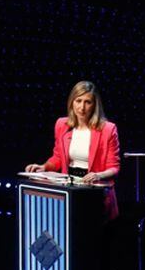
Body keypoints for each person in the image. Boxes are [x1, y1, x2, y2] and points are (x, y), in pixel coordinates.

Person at [25, 81, 121, 220]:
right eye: (78, 101)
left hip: (95, 193)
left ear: (95, 105)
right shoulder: (61, 125)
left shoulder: (108, 129)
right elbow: (58, 158)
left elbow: (114, 167)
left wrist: (98, 175)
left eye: (88, 102)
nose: (82, 107)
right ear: (72, 102)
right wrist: (44, 167)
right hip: (69, 190)